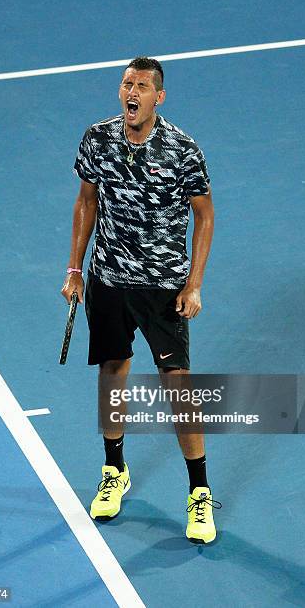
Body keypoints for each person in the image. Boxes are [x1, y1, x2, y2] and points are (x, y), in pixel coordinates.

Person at [61, 56, 221, 543]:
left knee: (178, 385)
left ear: (159, 97)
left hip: (162, 287)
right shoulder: (98, 138)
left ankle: (199, 493)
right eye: (127, 84)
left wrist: (193, 284)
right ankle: (115, 469)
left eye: (142, 86)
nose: (132, 93)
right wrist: (74, 269)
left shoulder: (182, 149)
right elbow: (87, 200)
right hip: (109, 281)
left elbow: (205, 215)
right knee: (114, 372)